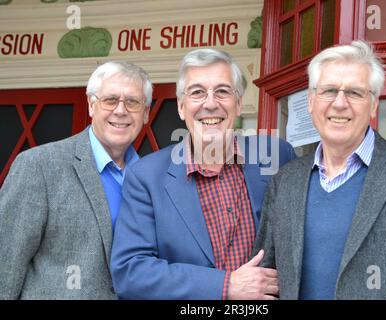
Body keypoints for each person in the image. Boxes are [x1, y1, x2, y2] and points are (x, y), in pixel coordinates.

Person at [253, 40, 386, 299]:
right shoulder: (285, 181)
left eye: (355, 93)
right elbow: (267, 281)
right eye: (329, 90)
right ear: (311, 101)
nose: (339, 103)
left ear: (373, 104)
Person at [110, 48, 296, 300]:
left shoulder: (277, 155)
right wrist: (225, 286)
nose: (210, 103)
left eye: (222, 91)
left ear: (238, 103)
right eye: (197, 92)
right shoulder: (145, 176)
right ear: (181, 106)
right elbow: (131, 272)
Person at [0, 61, 152, 299]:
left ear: (145, 113)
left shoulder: (151, 178)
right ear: (92, 105)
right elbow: (5, 263)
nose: (121, 111)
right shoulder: (39, 165)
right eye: (110, 100)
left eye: (132, 102)